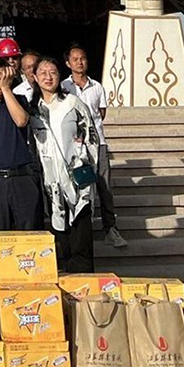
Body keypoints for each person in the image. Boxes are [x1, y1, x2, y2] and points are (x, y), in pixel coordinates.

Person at [29, 56, 98, 272]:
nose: (48, 77)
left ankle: (84, 277)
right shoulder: (32, 110)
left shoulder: (72, 103)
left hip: (77, 178)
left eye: (53, 72)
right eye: (43, 73)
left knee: (81, 228)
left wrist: (87, 166)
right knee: (60, 231)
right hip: (51, 182)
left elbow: (91, 137)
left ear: (60, 76)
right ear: (34, 77)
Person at [60, 43, 127, 249]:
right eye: (75, 59)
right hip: (74, 147)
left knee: (104, 187)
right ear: (68, 63)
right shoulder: (63, 87)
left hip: (98, 144)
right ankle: (79, 230)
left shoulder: (97, 86)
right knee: (78, 188)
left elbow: (101, 113)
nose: (79, 62)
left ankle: (110, 228)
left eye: (82, 58)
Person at [0, 56, 44, 231]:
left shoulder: (19, 100)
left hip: (21, 176)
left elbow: (21, 121)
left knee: (28, 232)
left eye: (3, 78)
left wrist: (6, 89)